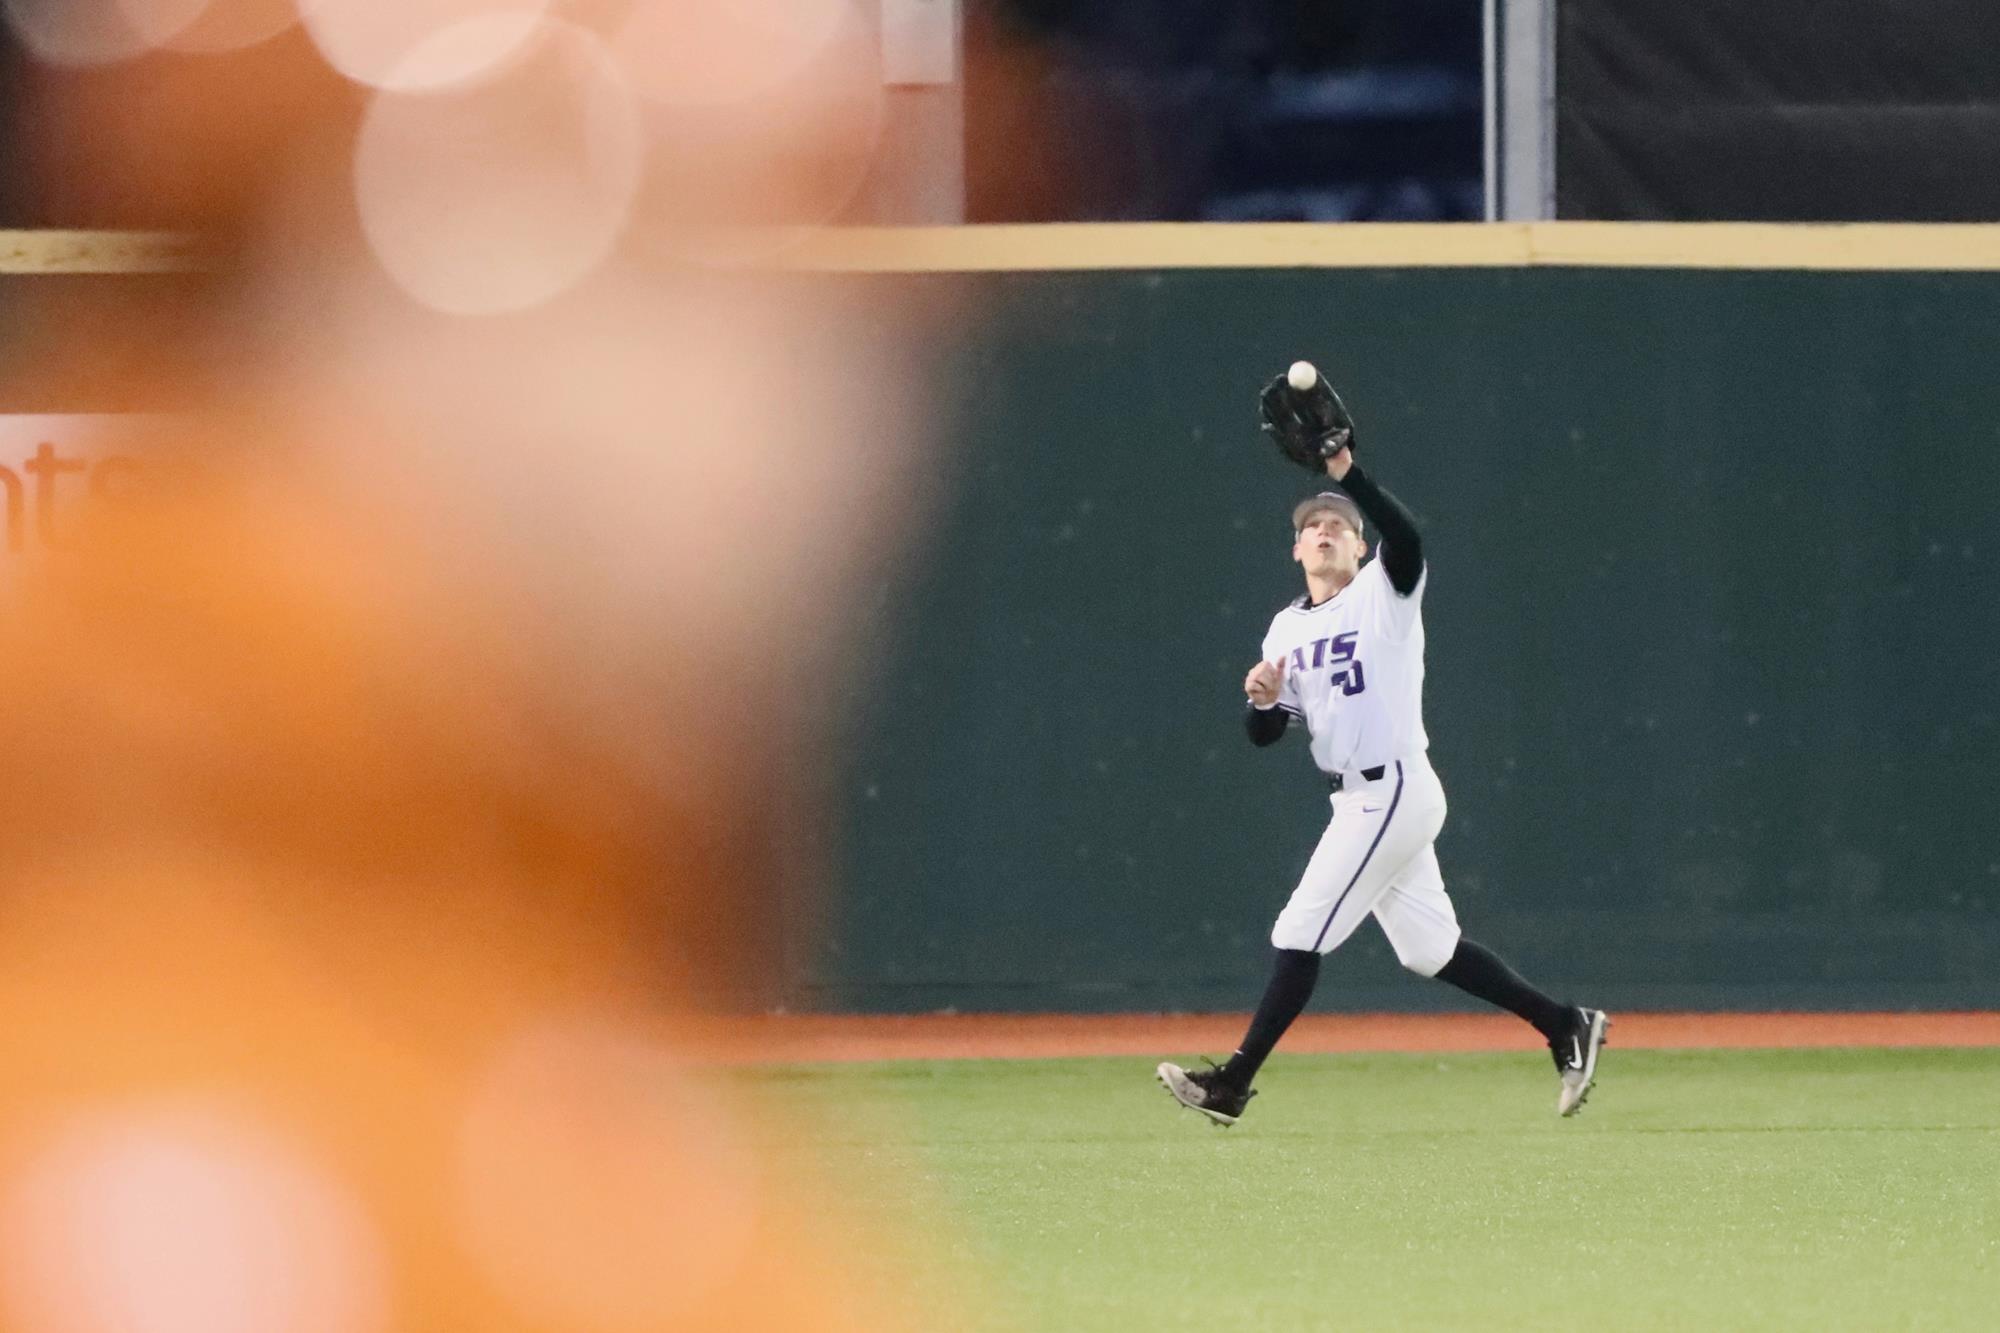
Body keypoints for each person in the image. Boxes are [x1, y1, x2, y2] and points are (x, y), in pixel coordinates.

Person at [1157, 439, 1607, 1126]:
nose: (1326, 528)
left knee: (1299, 929)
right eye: (1312, 524)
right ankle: (1566, 1022)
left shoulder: (1383, 593)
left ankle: (1233, 1081)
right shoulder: (1285, 626)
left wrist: (1345, 473)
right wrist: (1260, 699)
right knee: (1431, 949)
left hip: (1392, 788)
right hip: (1358, 794)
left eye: (1340, 523)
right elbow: (1266, 735)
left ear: (1360, 548)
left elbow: (1406, 534)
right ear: (1297, 551)